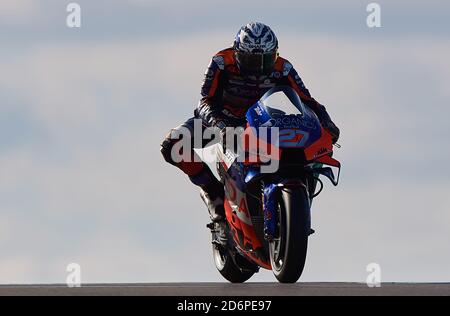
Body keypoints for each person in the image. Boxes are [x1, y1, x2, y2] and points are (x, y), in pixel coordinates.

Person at [161, 22, 340, 244]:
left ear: (275, 54)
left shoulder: (283, 68)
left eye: (265, 60)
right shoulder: (221, 62)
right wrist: (219, 126)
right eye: (251, 61)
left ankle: (294, 198)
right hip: (221, 121)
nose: (258, 68)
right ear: (237, 54)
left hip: (263, 123)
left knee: (304, 153)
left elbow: (307, 101)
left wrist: (326, 122)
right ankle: (213, 194)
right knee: (173, 146)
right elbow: (204, 102)